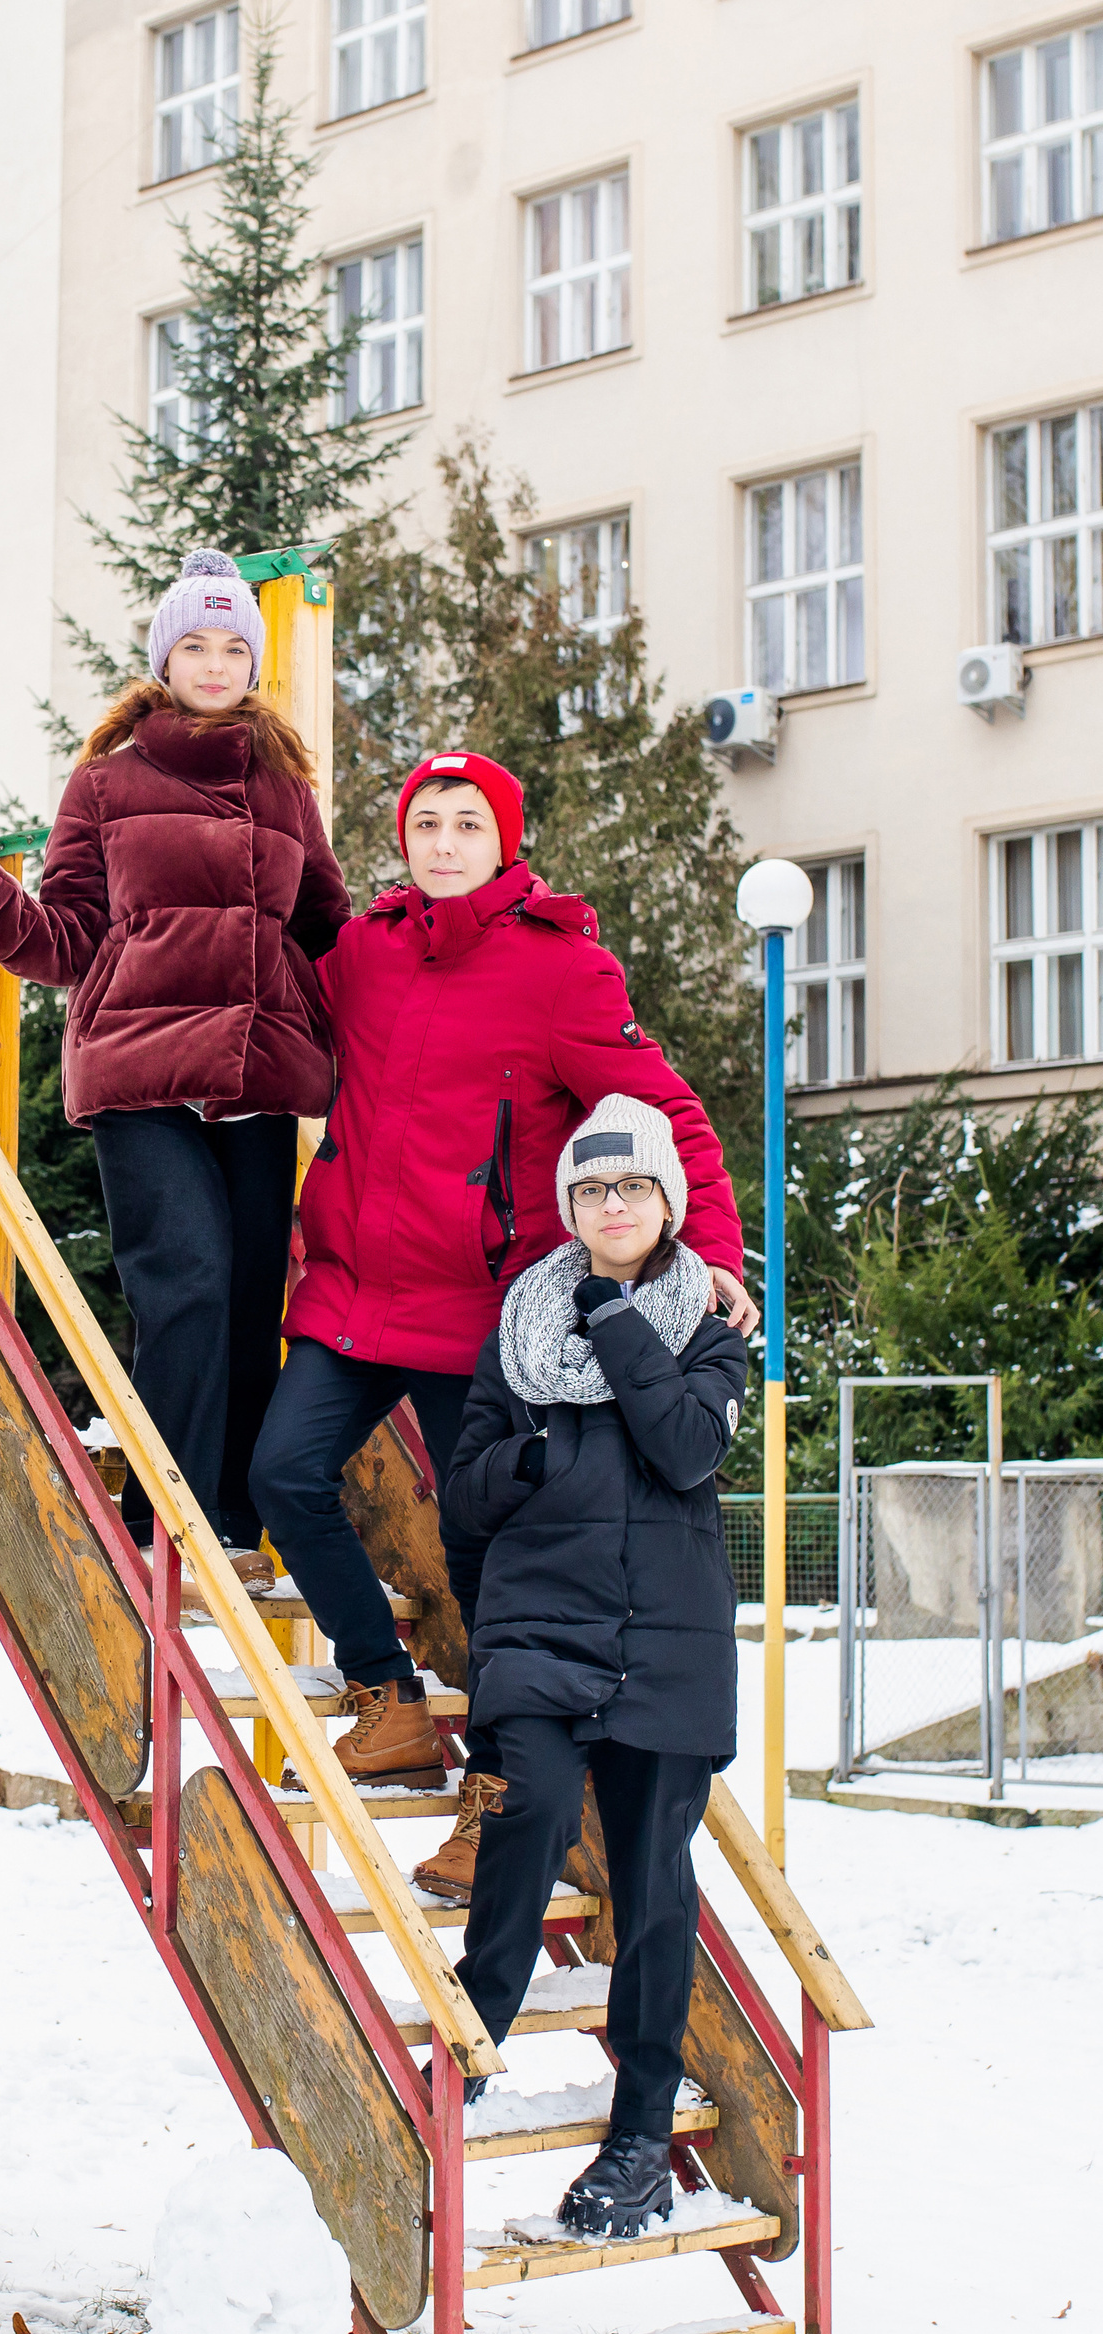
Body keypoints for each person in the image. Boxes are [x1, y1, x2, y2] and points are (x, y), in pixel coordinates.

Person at [246, 750, 753, 1897]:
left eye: (466, 823)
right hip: (349, 1287)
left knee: (490, 1573)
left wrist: (709, 1249)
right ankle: (384, 1698)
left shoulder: (562, 972)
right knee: (282, 1474)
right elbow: (257, 994)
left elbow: (671, 1117)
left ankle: (495, 1806)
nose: (441, 842)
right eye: (424, 822)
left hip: (480, 1310)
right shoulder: (363, 953)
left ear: (503, 840)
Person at [0, 548, 348, 1558]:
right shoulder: (108, 781)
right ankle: (166, 1515)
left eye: (233, 647)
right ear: (164, 660)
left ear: (252, 664)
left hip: (255, 1077)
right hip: (139, 1072)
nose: (216, 664)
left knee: (254, 1297)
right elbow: (68, 937)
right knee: (190, 1279)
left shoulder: (287, 787)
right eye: (195, 645)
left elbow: (328, 929)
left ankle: (235, 1518)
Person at [439, 1094, 748, 2237]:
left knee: (655, 1891)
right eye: (588, 1190)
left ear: (665, 1201)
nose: (609, 1205)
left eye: (629, 1188)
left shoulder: (711, 1331)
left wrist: (611, 1319)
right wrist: (522, 1462)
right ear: (568, 1206)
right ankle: (473, 2036)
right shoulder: (518, 1329)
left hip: (666, 1646)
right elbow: (462, 1495)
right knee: (520, 1809)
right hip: (537, 1629)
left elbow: (682, 1448)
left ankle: (638, 2142)